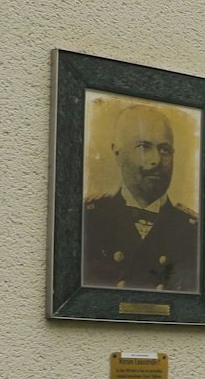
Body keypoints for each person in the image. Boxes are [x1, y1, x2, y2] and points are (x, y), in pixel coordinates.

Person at [81, 104, 198, 291]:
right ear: (118, 154)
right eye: (144, 147)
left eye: (165, 150)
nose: (157, 160)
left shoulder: (194, 231)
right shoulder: (87, 220)